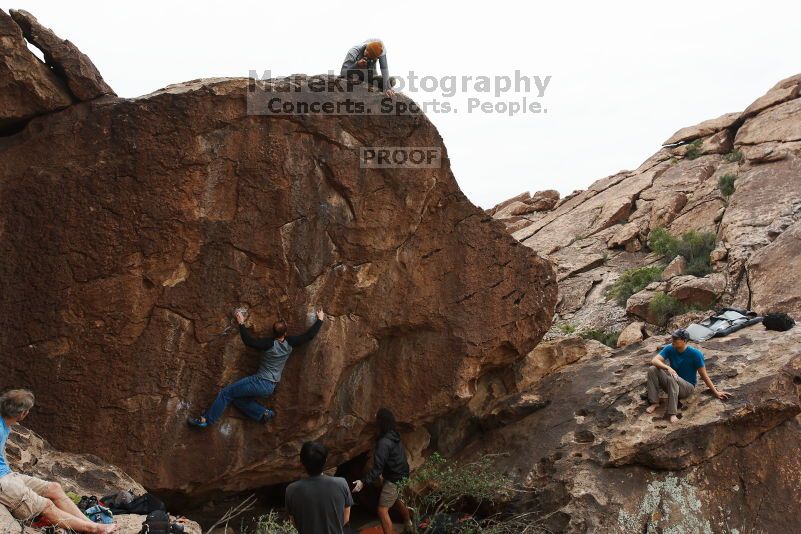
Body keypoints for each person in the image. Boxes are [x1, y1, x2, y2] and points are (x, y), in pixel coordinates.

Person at [0, 389, 119, 533]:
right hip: (3, 483)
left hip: (8, 475)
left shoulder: (5, 424)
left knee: (54, 488)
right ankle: (93, 529)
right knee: (46, 505)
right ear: (22, 413)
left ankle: (88, 522)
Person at [188, 308, 325, 428]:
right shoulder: (290, 343)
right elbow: (309, 336)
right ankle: (263, 413)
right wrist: (320, 320)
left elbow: (249, 341)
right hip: (270, 387)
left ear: (273, 333)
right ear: (286, 332)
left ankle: (206, 420)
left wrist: (241, 323)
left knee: (226, 393)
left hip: (260, 381)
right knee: (237, 398)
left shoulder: (268, 344)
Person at [645, 328, 731, 423]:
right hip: (672, 383)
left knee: (672, 377)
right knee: (652, 369)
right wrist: (668, 367)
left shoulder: (696, 354)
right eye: (672, 338)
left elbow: (704, 375)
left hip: (687, 388)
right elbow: (654, 360)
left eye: (675, 339)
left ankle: (672, 413)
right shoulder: (670, 348)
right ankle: (654, 402)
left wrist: (715, 392)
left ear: (684, 341)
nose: (672, 340)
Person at [352, 408, 414, 534]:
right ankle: (408, 523)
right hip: (403, 474)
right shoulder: (394, 434)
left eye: (377, 419)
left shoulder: (383, 443)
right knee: (397, 500)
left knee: (382, 510)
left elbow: (377, 469)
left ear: (381, 423)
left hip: (394, 478)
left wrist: (362, 481)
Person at [285, 441, 353, 534]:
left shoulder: (291, 490)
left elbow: (294, 523)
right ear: (325, 461)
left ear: (302, 462)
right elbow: (345, 519)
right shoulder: (342, 483)